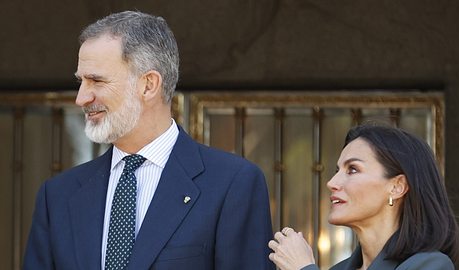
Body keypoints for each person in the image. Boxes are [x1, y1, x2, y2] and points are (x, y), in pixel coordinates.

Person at [23, 10, 275, 270]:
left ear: (148, 85)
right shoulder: (57, 197)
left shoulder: (233, 185)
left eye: (96, 80)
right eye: (81, 82)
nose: (81, 98)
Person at [268, 124, 459, 270]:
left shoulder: (431, 265)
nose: (332, 182)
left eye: (352, 169)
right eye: (337, 170)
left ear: (397, 187)